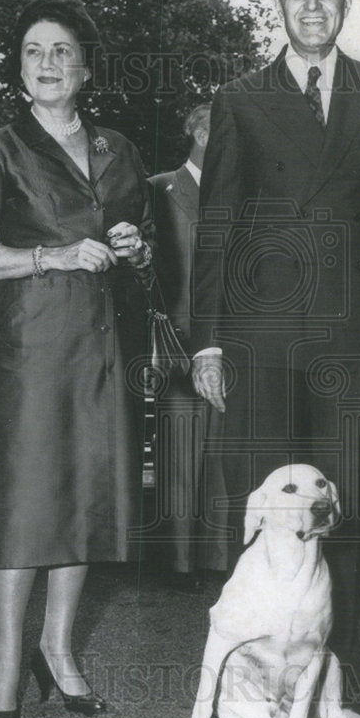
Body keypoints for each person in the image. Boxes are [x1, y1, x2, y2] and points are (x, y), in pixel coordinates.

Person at [190, 0, 360, 710]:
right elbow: (216, 224)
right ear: (279, 5)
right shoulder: (240, 98)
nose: (311, 7)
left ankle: (341, 673)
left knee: (345, 511)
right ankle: (250, 673)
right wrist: (210, 340)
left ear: (345, 1)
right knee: (256, 511)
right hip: (259, 346)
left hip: (354, 347)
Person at [0, 0, 153, 718]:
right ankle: (6, 661)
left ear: (85, 67)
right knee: (25, 504)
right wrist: (53, 254)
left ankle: (59, 648)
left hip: (103, 348)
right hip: (34, 351)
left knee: (87, 497)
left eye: (62, 51)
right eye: (35, 51)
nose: (48, 63)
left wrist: (133, 247)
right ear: (19, 68)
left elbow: (132, 247)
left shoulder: (118, 149)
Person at [148, 104, 228, 585]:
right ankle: (177, 562)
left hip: (228, 337)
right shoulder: (159, 188)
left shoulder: (238, 192)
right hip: (176, 341)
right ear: (199, 132)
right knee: (180, 451)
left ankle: (218, 559)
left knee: (220, 449)